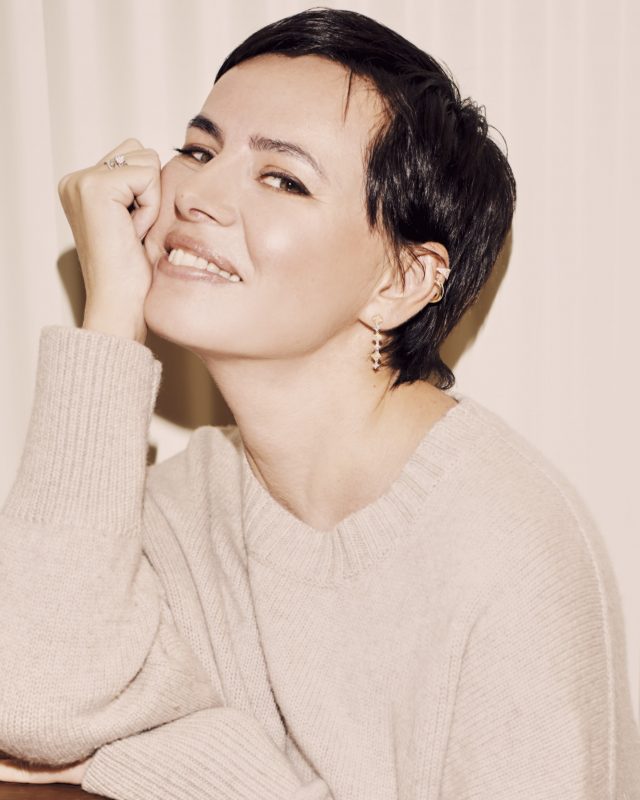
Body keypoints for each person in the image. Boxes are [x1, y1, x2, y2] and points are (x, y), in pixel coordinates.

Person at [0, 7, 638, 799]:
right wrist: (110, 317)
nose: (198, 194)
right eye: (198, 150)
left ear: (401, 281)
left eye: (283, 178)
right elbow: (26, 695)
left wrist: (168, 761)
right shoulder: (178, 508)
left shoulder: (507, 545)